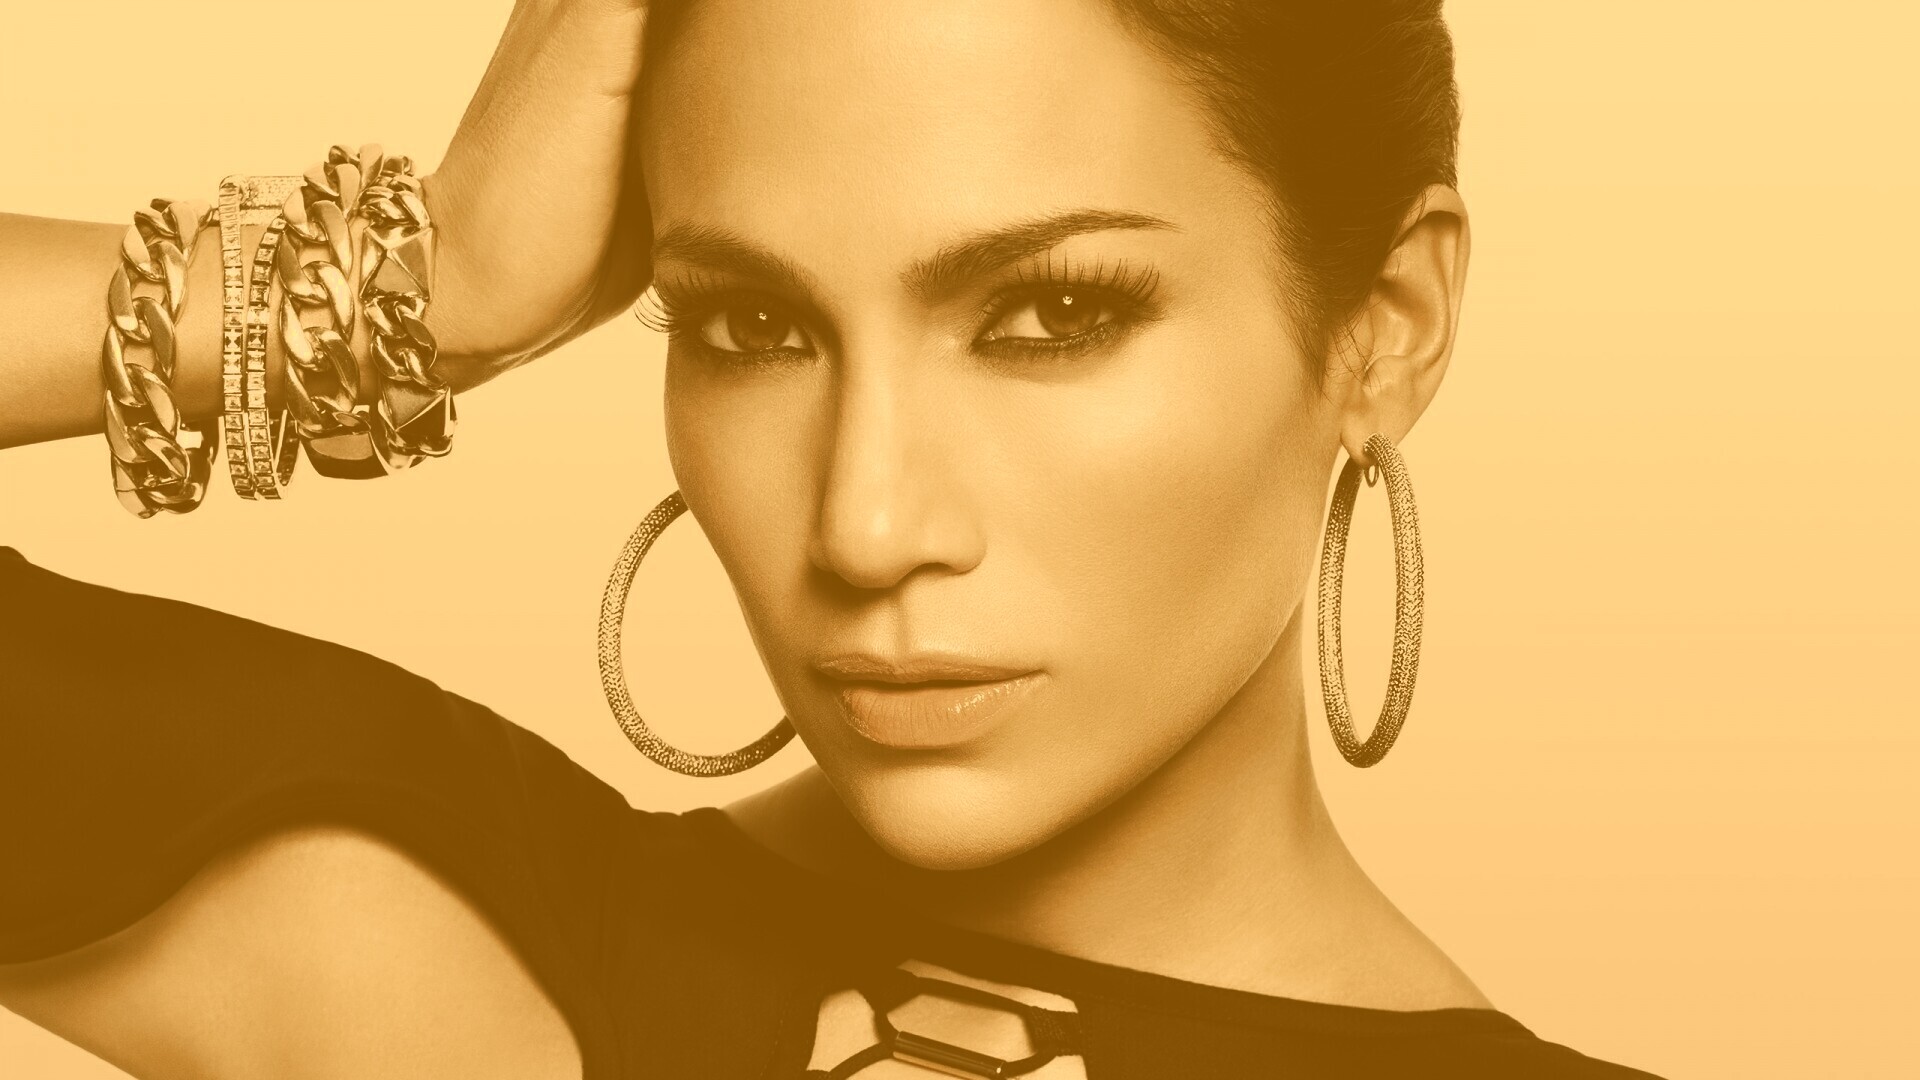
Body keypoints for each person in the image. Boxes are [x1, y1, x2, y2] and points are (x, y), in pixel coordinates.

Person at [0, 1, 1670, 1077]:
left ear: (1383, 329)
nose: (865, 523)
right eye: (754, 328)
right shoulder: (493, 949)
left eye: (1050, 315)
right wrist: (411, 286)